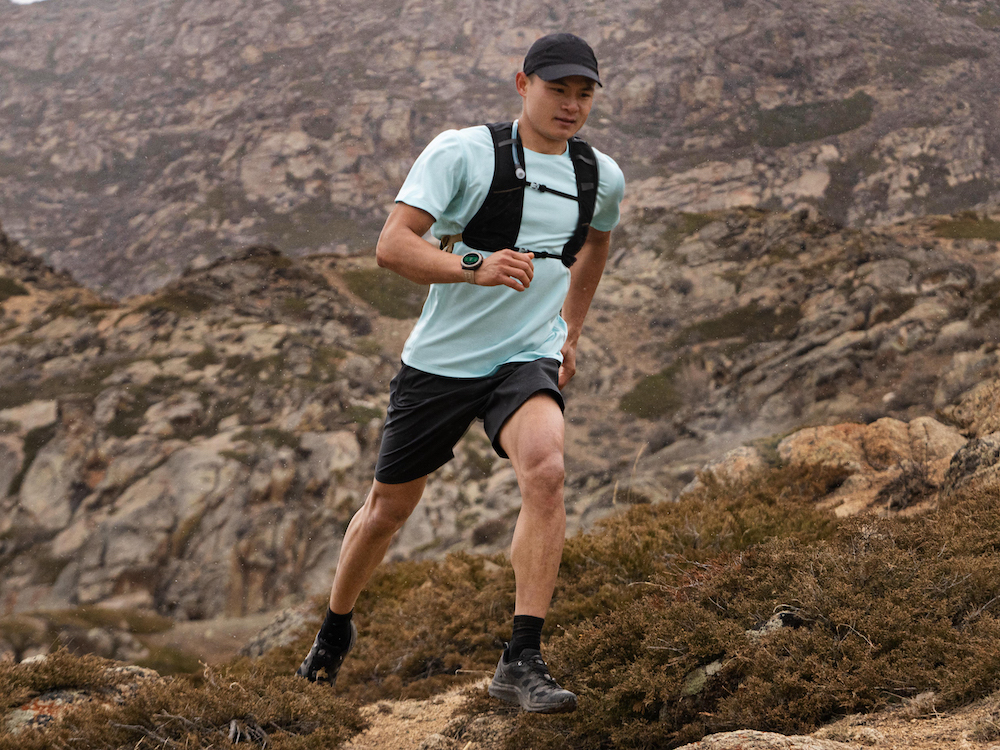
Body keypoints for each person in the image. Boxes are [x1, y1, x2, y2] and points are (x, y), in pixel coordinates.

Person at [296, 31, 625, 714]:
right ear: (522, 85)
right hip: (441, 363)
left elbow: (596, 244)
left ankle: (522, 659)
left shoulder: (600, 176)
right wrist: (474, 265)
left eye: (583, 93)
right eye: (556, 89)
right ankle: (334, 628)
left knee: (547, 470)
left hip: (526, 355)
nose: (570, 104)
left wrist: (570, 330)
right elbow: (392, 246)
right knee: (388, 510)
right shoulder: (463, 153)